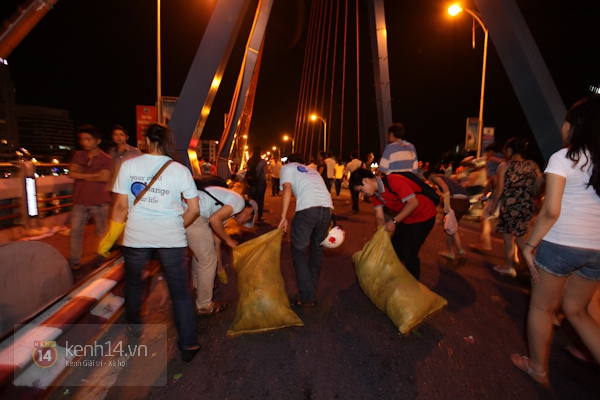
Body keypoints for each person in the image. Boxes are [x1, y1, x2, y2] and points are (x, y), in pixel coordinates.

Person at [511, 94, 600, 385]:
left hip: (561, 245)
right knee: (577, 310)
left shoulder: (564, 158)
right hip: (596, 250)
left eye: (567, 120)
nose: (563, 125)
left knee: (541, 307)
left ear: (576, 125)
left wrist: (529, 245)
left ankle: (538, 369)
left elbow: (551, 210)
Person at [102, 123, 201, 362]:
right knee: (180, 293)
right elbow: (194, 210)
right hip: (171, 237)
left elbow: (120, 208)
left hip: (137, 236)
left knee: (135, 285)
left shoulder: (129, 165)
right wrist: (178, 226)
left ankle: (134, 327)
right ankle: (189, 345)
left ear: (147, 141)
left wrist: (108, 241)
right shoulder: (180, 169)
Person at [349, 168, 437, 281]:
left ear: (365, 180)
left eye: (361, 190)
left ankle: (414, 285)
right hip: (406, 218)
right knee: (395, 250)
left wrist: (394, 221)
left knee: (409, 253)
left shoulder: (393, 181)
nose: (363, 193)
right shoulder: (376, 195)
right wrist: (381, 236)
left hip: (424, 215)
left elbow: (413, 203)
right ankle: (394, 281)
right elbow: (379, 217)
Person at [186, 183, 257, 316]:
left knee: (202, 255)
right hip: (195, 214)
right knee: (207, 259)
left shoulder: (226, 209)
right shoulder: (239, 202)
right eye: (247, 220)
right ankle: (204, 305)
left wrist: (220, 269)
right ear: (249, 210)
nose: (241, 223)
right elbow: (213, 220)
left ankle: (198, 287)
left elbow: (215, 243)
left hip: (187, 210)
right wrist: (228, 240)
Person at [278, 153, 333, 307]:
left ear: (289, 161)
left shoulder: (287, 167)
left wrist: (283, 216)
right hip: (327, 208)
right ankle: (313, 282)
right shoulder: (313, 170)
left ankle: (308, 296)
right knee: (317, 247)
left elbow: (287, 189)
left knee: (299, 251)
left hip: (308, 210)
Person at [488, 137, 543, 277]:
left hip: (510, 207)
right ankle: (536, 265)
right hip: (527, 207)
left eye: (506, 150)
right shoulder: (533, 165)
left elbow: (499, 189)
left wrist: (493, 206)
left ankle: (509, 266)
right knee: (521, 237)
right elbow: (539, 184)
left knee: (508, 238)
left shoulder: (504, 167)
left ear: (511, 150)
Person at [67, 124, 113, 270]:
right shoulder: (78, 155)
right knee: (75, 231)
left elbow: (105, 178)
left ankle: (103, 257)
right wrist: (94, 175)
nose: (85, 142)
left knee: (102, 231)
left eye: (88, 139)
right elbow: (72, 174)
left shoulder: (106, 158)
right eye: (82, 139)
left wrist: (82, 175)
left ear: (97, 141)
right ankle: (74, 260)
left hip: (99, 200)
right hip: (80, 201)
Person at [470, 142, 505, 252]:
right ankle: (516, 258)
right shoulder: (507, 160)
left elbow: (493, 179)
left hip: (498, 195)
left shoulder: (491, 161)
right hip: (512, 196)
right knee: (509, 230)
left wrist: (486, 194)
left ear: (490, 152)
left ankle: (485, 244)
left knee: (485, 218)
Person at [429, 172, 469, 260]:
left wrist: (447, 207)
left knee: (447, 228)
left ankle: (450, 252)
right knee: (452, 225)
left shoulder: (434, 177)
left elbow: (445, 188)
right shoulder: (448, 179)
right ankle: (459, 249)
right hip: (465, 202)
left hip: (455, 201)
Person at [108, 125, 141, 193]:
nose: (118, 137)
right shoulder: (111, 152)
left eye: (121, 135)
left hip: (129, 186)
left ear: (127, 137)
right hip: (114, 186)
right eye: (116, 134)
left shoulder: (134, 152)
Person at [245, 146, 267, 222]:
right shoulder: (263, 162)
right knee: (260, 200)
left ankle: (251, 217)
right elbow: (264, 173)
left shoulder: (249, 161)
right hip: (261, 182)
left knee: (252, 200)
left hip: (252, 182)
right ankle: (259, 218)